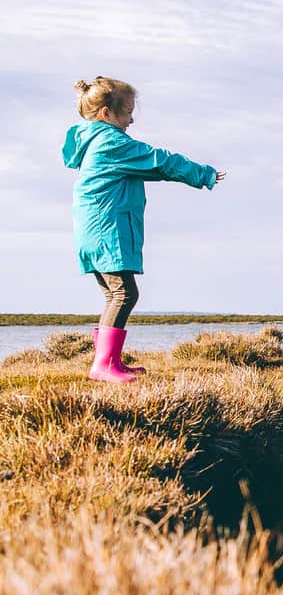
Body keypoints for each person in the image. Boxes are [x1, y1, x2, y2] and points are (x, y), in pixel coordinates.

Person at [63, 76, 225, 382]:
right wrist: (202, 174)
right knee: (124, 293)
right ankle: (103, 365)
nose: (131, 118)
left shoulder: (95, 142)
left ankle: (110, 362)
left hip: (93, 231)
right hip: (106, 229)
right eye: (126, 112)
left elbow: (153, 170)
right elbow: (158, 161)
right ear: (106, 114)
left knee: (115, 295)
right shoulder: (112, 143)